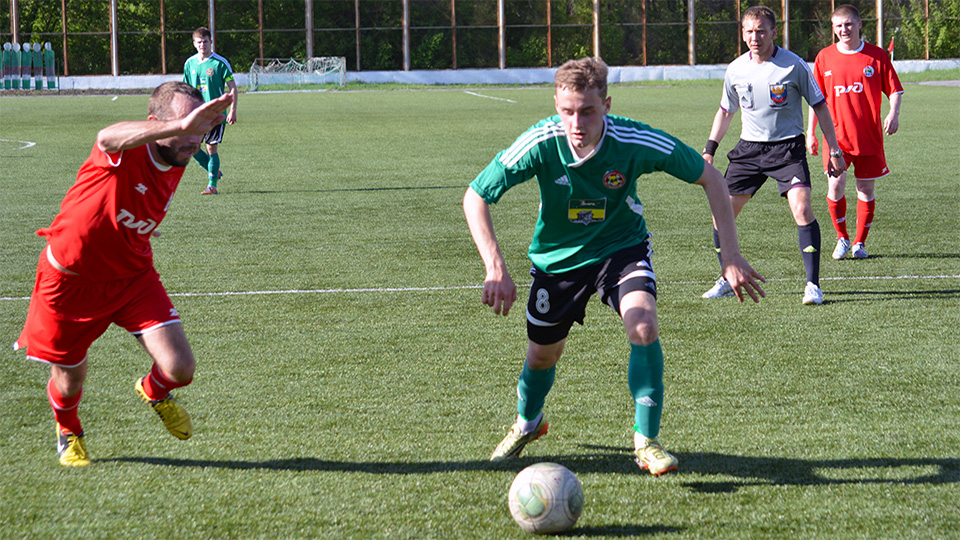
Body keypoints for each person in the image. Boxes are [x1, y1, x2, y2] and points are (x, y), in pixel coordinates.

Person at [464, 57, 765, 476]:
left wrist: (729, 256)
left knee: (643, 325)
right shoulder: (541, 141)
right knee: (542, 356)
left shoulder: (633, 140)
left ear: (606, 105)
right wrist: (495, 266)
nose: (576, 123)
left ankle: (647, 441)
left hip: (620, 249)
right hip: (558, 260)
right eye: (567, 111)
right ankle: (528, 423)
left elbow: (711, 178)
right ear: (556, 105)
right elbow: (476, 195)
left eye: (588, 111)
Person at [12, 82, 232, 466]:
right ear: (155, 124)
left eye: (199, 127)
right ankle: (69, 429)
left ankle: (154, 391)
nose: (194, 138)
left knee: (180, 368)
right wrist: (180, 127)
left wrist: (136, 224)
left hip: (133, 278)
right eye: (185, 125)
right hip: (69, 283)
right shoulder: (126, 150)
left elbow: (130, 198)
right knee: (70, 381)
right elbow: (106, 136)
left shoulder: (178, 153)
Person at [700, 5, 847, 305]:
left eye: (761, 31)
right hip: (748, 150)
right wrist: (709, 149)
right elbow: (726, 111)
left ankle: (813, 285)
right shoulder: (736, 69)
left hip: (787, 149)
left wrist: (834, 150)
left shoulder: (793, 65)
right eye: (749, 32)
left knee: (802, 209)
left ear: (774, 32)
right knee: (721, 215)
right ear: (742, 34)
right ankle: (728, 276)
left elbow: (820, 106)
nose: (755, 37)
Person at [806, 4, 904, 260]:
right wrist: (810, 132)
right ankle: (842, 238)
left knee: (865, 189)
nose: (844, 29)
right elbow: (815, 100)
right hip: (836, 138)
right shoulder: (824, 57)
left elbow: (895, 90)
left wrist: (893, 113)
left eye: (848, 24)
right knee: (835, 185)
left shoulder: (877, 56)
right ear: (833, 28)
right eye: (839, 25)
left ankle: (860, 243)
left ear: (859, 24)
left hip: (868, 137)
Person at [183, 27, 237, 195]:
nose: (202, 45)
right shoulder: (189, 63)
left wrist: (232, 110)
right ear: (194, 44)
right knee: (191, 147)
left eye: (205, 41)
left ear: (211, 42)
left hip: (216, 114)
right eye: (199, 42)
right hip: (197, 113)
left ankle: (212, 185)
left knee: (211, 148)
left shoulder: (220, 63)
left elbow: (232, 88)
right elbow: (186, 90)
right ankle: (213, 169)